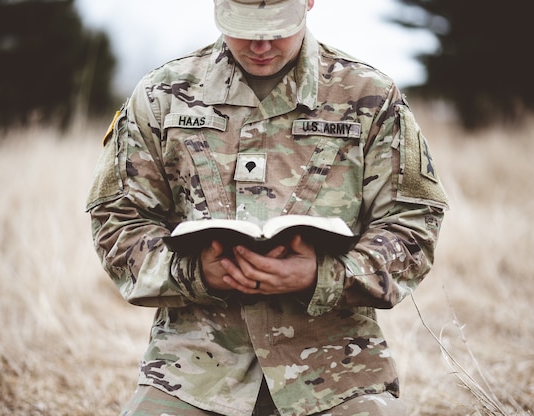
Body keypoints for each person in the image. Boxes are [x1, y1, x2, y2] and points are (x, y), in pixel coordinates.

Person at [86, 0, 449, 415]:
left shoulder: (371, 98)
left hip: (336, 374)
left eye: (277, 27)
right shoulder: (161, 96)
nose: (260, 43)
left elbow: (413, 225)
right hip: (192, 374)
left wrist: (324, 275)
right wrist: (193, 272)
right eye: (244, 26)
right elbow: (117, 220)